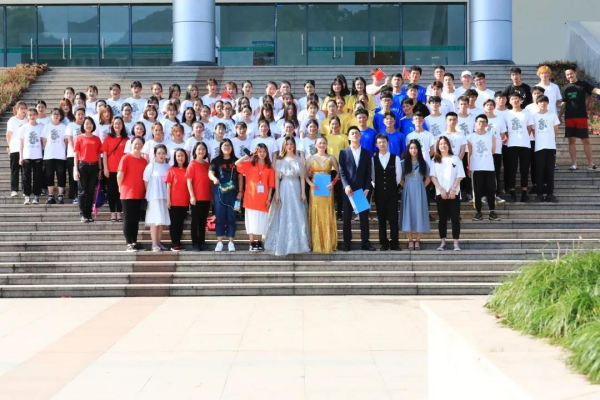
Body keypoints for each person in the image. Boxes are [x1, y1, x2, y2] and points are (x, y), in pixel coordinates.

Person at [265, 137, 311, 256]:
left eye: (291, 144)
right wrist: (277, 194)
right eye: (287, 144)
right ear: (284, 146)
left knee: (297, 213)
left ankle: (298, 243)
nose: (289, 146)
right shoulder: (279, 160)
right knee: (283, 213)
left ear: (294, 145)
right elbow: (276, 179)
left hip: (296, 187)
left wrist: (303, 192)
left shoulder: (299, 159)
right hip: (284, 187)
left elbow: (302, 177)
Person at [338, 126, 375, 251]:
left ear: (360, 136)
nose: (354, 135)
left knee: (364, 218)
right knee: (347, 217)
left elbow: (369, 172)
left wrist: (367, 187)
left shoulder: (366, 153)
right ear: (348, 137)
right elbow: (342, 171)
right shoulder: (343, 152)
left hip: (361, 190)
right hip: (348, 190)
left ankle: (365, 243)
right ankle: (347, 243)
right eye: (352, 133)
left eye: (356, 133)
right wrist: (346, 185)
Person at [235, 143, 275, 252]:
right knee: (251, 221)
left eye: (264, 151)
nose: (262, 154)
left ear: (267, 153)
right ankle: (252, 242)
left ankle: (259, 242)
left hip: (263, 198)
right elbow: (237, 163)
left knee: (262, 221)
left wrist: (269, 198)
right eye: (260, 151)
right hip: (251, 198)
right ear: (256, 152)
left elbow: (271, 185)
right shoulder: (250, 164)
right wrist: (248, 155)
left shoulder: (270, 167)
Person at [560, 65, 600, 171]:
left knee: (586, 140)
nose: (569, 76)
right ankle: (574, 164)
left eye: (571, 73)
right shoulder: (565, 88)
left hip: (581, 117)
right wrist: (559, 116)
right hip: (569, 117)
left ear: (575, 73)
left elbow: (595, 90)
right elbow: (564, 102)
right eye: (567, 74)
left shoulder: (583, 84)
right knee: (571, 141)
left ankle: (591, 164)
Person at [430, 136, 465, 251]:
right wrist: (441, 190)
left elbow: (460, 175)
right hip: (441, 193)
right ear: (438, 146)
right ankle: (443, 242)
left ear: (448, 145)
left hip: (454, 193)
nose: (443, 146)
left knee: (455, 218)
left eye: (445, 143)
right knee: (442, 219)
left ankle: (456, 243)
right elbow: (433, 177)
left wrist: (453, 189)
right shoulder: (434, 160)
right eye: (440, 144)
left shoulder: (455, 159)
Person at [305, 136, 339, 253]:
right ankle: (316, 243)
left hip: (327, 189)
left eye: (324, 143)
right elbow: (304, 175)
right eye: (320, 143)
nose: (322, 145)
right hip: (315, 189)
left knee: (327, 212)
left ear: (326, 145)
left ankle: (328, 242)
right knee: (316, 212)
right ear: (315, 145)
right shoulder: (310, 158)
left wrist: (333, 183)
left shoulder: (331, 158)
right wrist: (310, 183)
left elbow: (339, 173)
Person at [209, 139, 242, 252]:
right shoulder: (216, 160)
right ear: (220, 147)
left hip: (234, 194)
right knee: (220, 216)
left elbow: (240, 177)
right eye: (224, 145)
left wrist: (240, 191)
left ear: (232, 147)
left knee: (232, 216)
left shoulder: (236, 161)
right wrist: (214, 178)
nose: (227, 147)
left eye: (229, 145)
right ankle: (219, 242)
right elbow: (210, 172)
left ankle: (231, 242)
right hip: (219, 193)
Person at [372, 134, 402, 251]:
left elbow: (398, 176)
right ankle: (383, 243)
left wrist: (391, 187)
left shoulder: (396, 158)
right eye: (379, 142)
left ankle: (394, 243)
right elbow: (372, 176)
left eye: (384, 142)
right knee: (381, 219)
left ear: (388, 143)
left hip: (392, 193)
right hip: (379, 193)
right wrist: (378, 187)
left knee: (393, 218)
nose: (382, 144)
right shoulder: (373, 159)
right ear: (376, 144)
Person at [468, 115, 500, 221]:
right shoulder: (470, 137)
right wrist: (469, 166)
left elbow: (493, 151)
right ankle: (478, 212)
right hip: (476, 167)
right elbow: (469, 153)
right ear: (475, 123)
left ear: (487, 124)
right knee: (477, 191)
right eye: (479, 122)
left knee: (491, 190)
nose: (482, 124)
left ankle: (492, 211)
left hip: (489, 167)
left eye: (484, 122)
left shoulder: (491, 136)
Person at [118, 136, 148, 251]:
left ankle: (134, 241)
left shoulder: (144, 161)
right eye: (136, 143)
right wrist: (120, 187)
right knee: (128, 218)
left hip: (139, 193)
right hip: (127, 193)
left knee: (135, 220)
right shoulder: (126, 158)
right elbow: (119, 175)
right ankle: (129, 243)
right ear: (131, 144)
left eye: (140, 144)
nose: (138, 146)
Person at [400, 140, 430, 250]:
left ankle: (417, 240)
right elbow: (399, 178)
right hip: (407, 191)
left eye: (415, 148)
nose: (413, 150)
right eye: (411, 148)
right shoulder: (403, 163)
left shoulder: (423, 163)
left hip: (420, 191)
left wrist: (421, 186)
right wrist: (406, 186)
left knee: (419, 214)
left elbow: (428, 177)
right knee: (407, 213)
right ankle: (410, 240)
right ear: (408, 149)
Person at [504, 93, 534, 202]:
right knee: (512, 169)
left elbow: (529, 127)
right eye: (512, 99)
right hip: (511, 144)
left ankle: (524, 192)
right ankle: (512, 192)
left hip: (525, 144)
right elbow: (504, 129)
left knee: (524, 169)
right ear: (509, 101)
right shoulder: (506, 114)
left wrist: (524, 137)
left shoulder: (527, 112)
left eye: (517, 98)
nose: (515, 100)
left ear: (520, 100)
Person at [532, 95, 560, 202]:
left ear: (547, 103)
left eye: (545, 102)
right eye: (540, 102)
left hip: (550, 147)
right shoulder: (534, 116)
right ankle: (539, 194)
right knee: (539, 171)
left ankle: (550, 194)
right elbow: (533, 132)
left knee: (550, 171)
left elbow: (556, 132)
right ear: (537, 104)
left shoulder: (552, 115)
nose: (543, 104)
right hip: (539, 147)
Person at [73, 116, 102, 221]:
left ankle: (89, 214)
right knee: (82, 191)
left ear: (93, 125)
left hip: (94, 166)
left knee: (91, 191)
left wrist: (100, 169)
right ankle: (82, 214)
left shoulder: (97, 139)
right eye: (86, 124)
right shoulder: (79, 138)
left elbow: (98, 155)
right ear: (83, 126)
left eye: (90, 123)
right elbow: (76, 155)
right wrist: (76, 169)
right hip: (82, 166)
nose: (89, 125)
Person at [143, 144, 171, 252]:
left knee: (161, 221)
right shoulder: (151, 166)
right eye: (159, 153)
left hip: (164, 197)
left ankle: (159, 242)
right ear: (154, 154)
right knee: (154, 221)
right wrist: (151, 193)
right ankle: (154, 244)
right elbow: (146, 181)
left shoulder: (168, 167)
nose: (161, 155)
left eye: (163, 153)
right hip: (154, 197)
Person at [186, 142, 212, 251]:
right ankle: (195, 243)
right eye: (199, 149)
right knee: (195, 221)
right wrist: (192, 196)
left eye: (203, 149)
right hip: (196, 198)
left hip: (206, 197)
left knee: (203, 221)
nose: (201, 151)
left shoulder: (207, 165)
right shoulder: (192, 164)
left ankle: (202, 242)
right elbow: (189, 181)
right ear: (195, 151)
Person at [102, 117, 128, 222]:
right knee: (111, 192)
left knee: (120, 192)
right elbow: (104, 154)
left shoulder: (127, 139)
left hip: (122, 171)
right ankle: (113, 213)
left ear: (122, 125)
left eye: (119, 123)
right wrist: (105, 168)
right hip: (111, 169)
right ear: (112, 125)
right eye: (116, 123)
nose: (118, 125)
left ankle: (119, 213)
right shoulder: (108, 138)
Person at [41, 108, 68, 204]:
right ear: (51, 115)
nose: (56, 115)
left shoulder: (64, 127)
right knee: (49, 175)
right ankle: (50, 195)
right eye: (54, 114)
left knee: (61, 175)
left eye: (57, 114)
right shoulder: (47, 126)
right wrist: (47, 150)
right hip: (49, 155)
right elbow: (44, 141)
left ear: (60, 116)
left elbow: (66, 141)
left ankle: (60, 195)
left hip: (61, 155)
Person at [165, 148, 190, 251]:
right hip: (174, 201)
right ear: (175, 158)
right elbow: (168, 185)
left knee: (180, 223)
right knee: (174, 223)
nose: (180, 158)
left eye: (182, 155)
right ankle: (174, 243)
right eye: (178, 156)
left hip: (184, 201)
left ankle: (178, 242)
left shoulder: (188, 169)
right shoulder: (171, 169)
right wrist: (168, 200)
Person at [19, 108, 44, 205]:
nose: (32, 116)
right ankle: (27, 196)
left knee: (37, 176)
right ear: (27, 116)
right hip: (27, 155)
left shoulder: (41, 127)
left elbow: (43, 142)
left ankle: (36, 196)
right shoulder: (24, 127)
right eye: (30, 115)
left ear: (37, 115)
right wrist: (21, 157)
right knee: (26, 176)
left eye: (34, 114)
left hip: (38, 155)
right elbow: (21, 143)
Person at [6, 101, 27, 197]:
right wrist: (10, 146)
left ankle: (25, 190)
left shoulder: (27, 120)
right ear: (17, 109)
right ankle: (14, 190)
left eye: (25, 108)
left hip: (25, 149)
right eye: (21, 108)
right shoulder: (12, 120)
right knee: (15, 170)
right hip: (15, 148)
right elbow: (8, 135)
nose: (23, 110)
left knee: (25, 170)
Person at [65, 107, 86, 202]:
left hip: (84, 156)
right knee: (73, 176)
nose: (81, 116)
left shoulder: (86, 125)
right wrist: (76, 151)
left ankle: (82, 195)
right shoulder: (71, 126)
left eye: (82, 114)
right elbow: (69, 140)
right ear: (75, 115)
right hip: (72, 155)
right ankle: (74, 196)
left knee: (82, 177)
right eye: (79, 114)